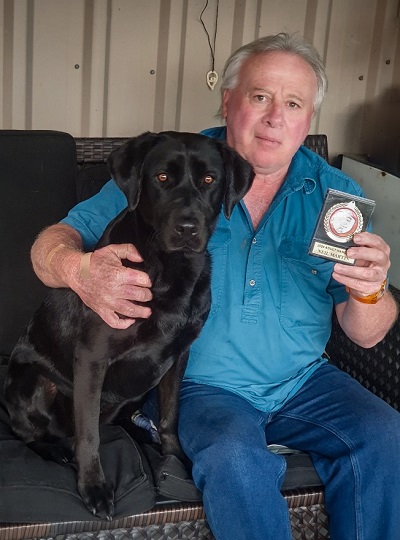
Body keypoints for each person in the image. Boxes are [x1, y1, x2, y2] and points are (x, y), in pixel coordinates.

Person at [30, 33, 400, 540]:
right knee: (234, 460)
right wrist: (79, 271)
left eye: (293, 103)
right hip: (206, 391)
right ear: (228, 100)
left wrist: (371, 290)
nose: (275, 117)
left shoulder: (338, 198)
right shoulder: (172, 166)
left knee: (385, 434)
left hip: (305, 382)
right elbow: (51, 245)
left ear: (308, 119)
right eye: (260, 96)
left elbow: (366, 336)